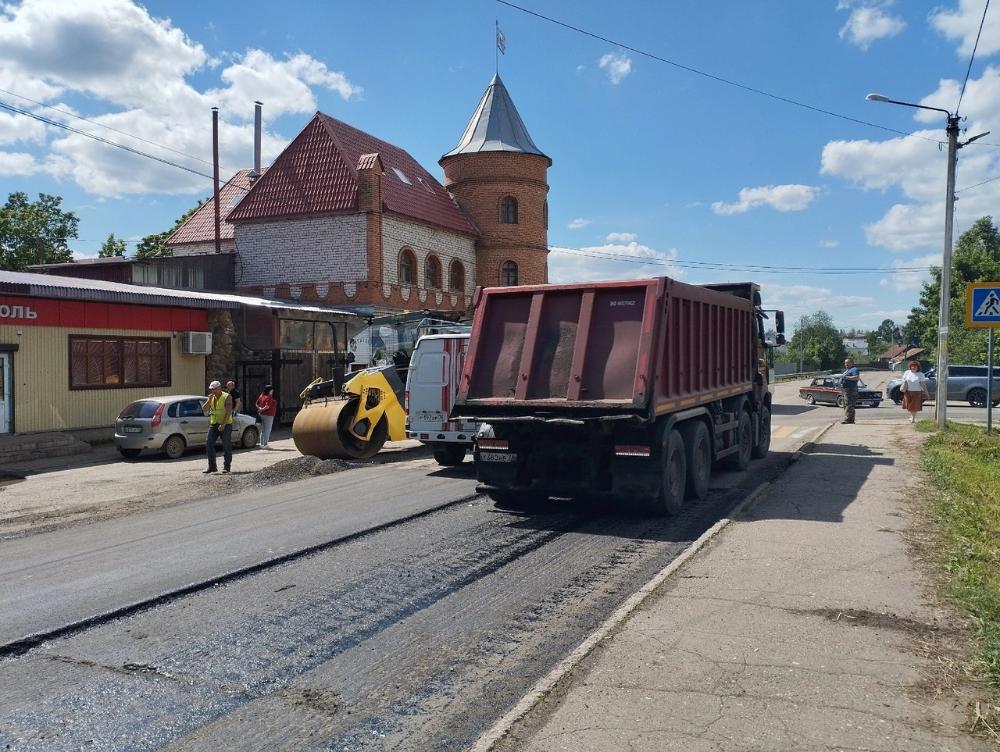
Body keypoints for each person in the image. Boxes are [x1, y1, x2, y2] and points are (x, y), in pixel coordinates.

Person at [200, 381, 233, 474]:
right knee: (209, 443)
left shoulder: (227, 396)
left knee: (226, 445)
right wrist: (208, 400)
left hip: (225, 424)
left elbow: (228, 411)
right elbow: (204, 409)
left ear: (219, 388)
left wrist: (223, 424)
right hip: (214, 424)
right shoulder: (211, 397)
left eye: (215, 389)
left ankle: (227, 467)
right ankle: (212, 467)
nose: (213, 391)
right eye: (212, 389)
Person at [900, 359, 930, 423]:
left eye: (915, 366)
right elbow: (903, 381)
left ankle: (913, 418)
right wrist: (903, 386)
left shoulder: (920, 374)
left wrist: (927, 393)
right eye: (912, 366)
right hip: (908, 392)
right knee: (909, 406)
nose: (913, 367)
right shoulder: (907, 372)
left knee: (914, 406)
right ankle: (912, 416)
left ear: (918, 367)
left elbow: (923, 385)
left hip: (917, 392)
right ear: (910, 367)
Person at [840, 357, 860, 424]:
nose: (846, 364)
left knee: (849, 404)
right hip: (845, 389)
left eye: (847, 363)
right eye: (845, 363)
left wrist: (846, 377)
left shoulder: (854, 369)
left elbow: (856, 378)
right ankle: (850, 419)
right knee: (846, 404)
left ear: (852, 363)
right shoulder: (847, 370)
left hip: (851, 389)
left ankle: (848, 419)